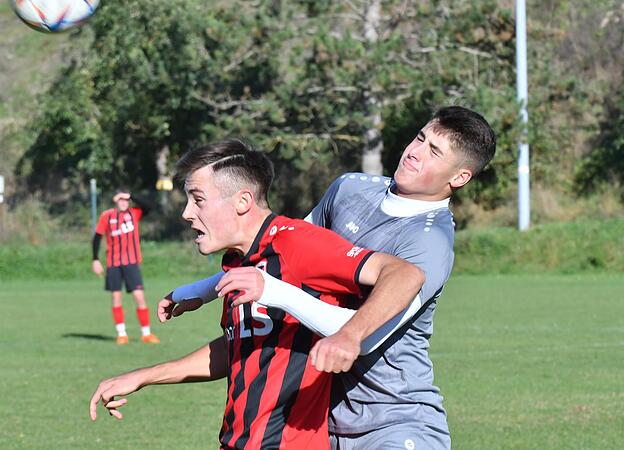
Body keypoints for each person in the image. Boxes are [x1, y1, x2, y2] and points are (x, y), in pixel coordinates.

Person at [160, 106, 497, 449]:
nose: (414, 152)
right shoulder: (350, 188)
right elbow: (280, 249)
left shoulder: (429, 242)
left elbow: (364, 337)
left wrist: (281, 296)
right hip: (322, 422)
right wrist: (204, 290)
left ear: (459, 178)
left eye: (434, 152)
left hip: (394, 420)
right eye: (420, 138)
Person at [89, 139, 425, 449]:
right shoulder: (240, 261)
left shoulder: (296, 242)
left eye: (198, 199)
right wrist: (144, 376)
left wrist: (351, 335)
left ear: (243, 201)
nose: (187, 212)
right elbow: (239, 348)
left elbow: (405, 274)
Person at [92, 188, 159, 345]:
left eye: (126, 200)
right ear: (115, 200)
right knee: (116, 297)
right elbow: (97, 238)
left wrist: (132, 195)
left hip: (131, 263)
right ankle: (122, 334)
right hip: (113, 264)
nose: (123, 202)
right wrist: (95, 259)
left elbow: (149, 207)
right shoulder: (107, 216)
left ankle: (146, 334)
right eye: (120, 199)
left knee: (139, 296)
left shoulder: (134, 213)